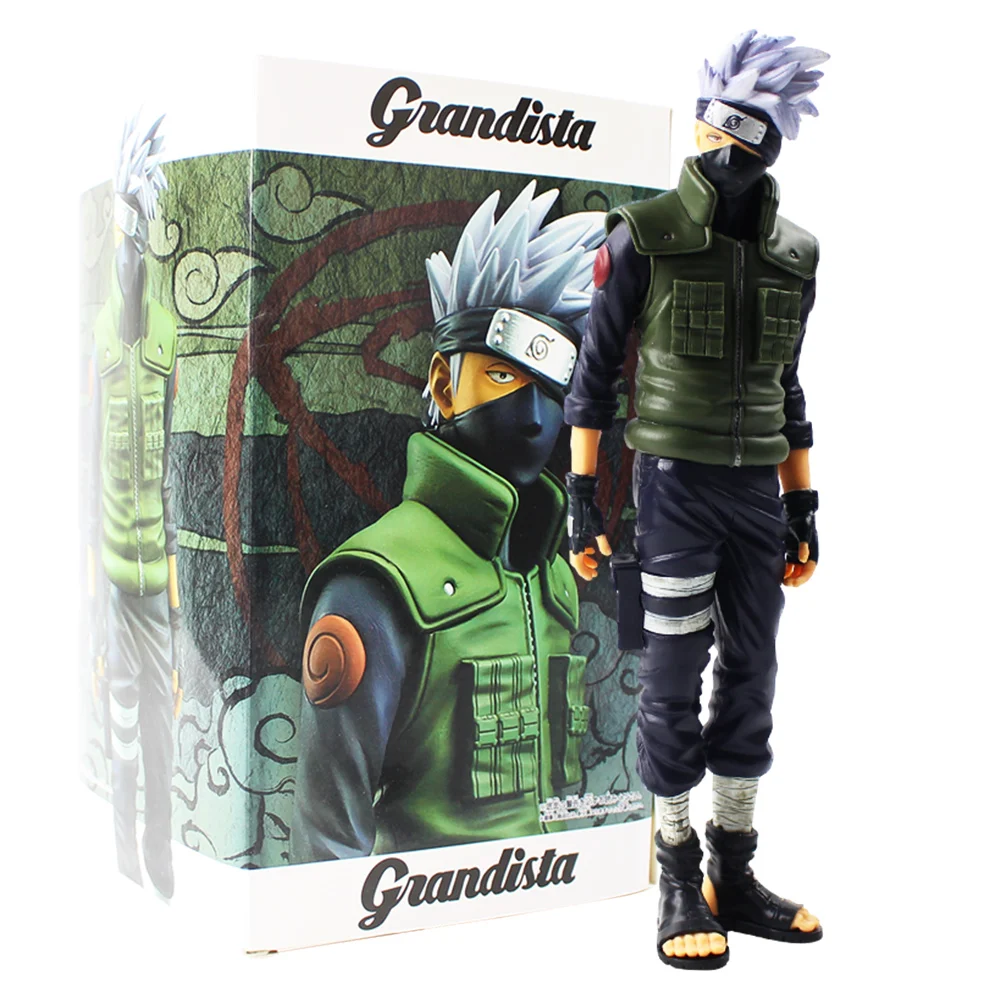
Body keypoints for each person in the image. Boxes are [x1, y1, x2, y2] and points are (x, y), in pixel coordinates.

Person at [563, 30, 829, 969]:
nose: (725, 153)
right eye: (717, 132)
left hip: (756, 494)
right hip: (672, 491)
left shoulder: (795, 254)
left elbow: (787, 389)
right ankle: (676, 874)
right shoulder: (643, 236)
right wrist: (582, 498)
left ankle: (734, 872)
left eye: (745, 137)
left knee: (751, 678)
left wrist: (801, 505)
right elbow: (593, 378)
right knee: (671, 679)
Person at [291, 183, 605, 862]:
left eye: (553, 387)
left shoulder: (553, 575)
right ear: (442, 384)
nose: (533, 417)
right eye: (502, 377)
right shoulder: (374, 588)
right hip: (414, 910)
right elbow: (327, 840)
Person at [89, 113, 181, 897]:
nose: (131, 259)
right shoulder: (94, 339)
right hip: (115, 579)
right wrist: (94, 607)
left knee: (160, 724)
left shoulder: (167, 338)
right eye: (123, 242)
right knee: (119, 725)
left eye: (139, 243)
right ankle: (122, 851)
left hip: (156, 583)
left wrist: (176, 606)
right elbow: (85, 470)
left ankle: (160, 857)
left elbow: (175, 469)